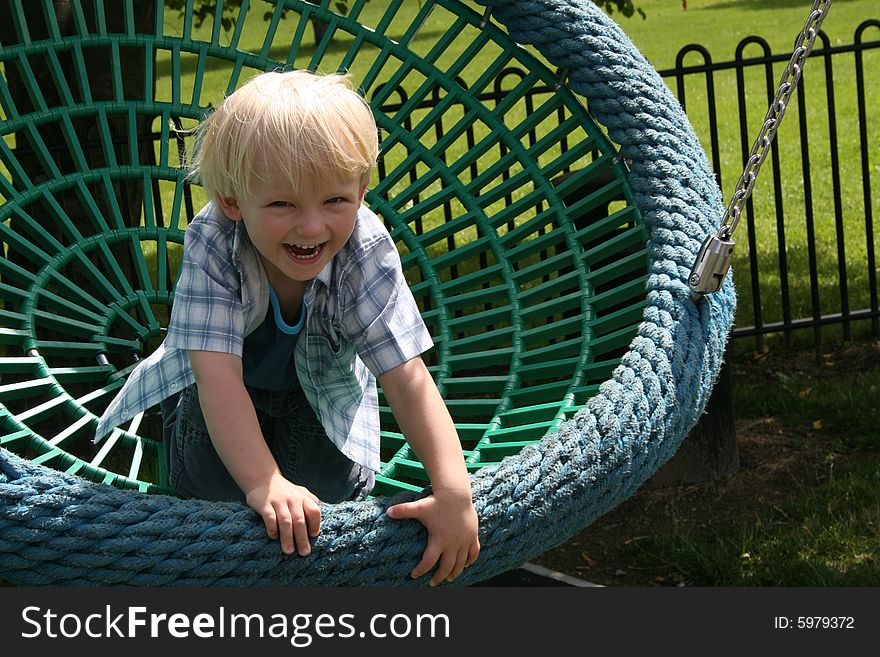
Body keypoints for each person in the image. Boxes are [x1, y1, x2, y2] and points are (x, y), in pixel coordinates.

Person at [94, 69, 479, 585]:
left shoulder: (364, 249)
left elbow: (406, 376)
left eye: (335, 201)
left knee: (324, 504)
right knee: (222, 502)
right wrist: (264, 483)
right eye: (282, 204)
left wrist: (454, 493)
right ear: (233, 202)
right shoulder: (216, 240)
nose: (312, 226)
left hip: (322, 395)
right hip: (224, 392)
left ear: (362, 191)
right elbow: (218, 378)